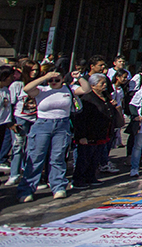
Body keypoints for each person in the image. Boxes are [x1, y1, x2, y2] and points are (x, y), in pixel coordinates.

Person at [17, 68, 91, 202]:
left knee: (58, 157)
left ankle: (58, 186)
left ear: (63, 79)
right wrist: (45, 77)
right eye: (51, 80)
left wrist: (79, 77)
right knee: (36, 157)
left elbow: (86, 89)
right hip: (43, 124)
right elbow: (27, 89)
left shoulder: (69, 88)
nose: (54, 82)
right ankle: (27, 189)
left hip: (62, 125)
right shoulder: (42, 90)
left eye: (57, 79)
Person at [72, 73, 116, 188]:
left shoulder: (105, 97)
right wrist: (81, 136)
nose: (105, 85)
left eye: (105, 82)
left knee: (95, 158)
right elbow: (81, 119)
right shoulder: (88, 99)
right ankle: (78, 180)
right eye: (102, 83)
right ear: (93, 85)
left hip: (101, 133)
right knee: (84, 158)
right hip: (89, 133)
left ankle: (91, 176)